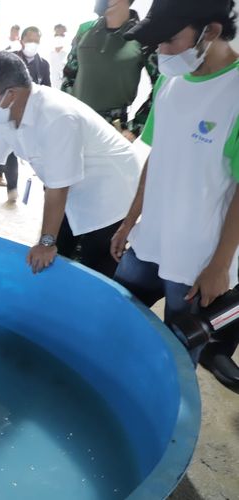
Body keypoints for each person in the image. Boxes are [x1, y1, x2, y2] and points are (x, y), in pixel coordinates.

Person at [113, 0, 239, 386]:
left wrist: (219, 265)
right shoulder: (171, 80)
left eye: (169, 40)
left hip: (197, 256)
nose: (162, 52)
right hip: (150, 239)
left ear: (212, 31)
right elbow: (157, 156)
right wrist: (130, 220)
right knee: (116, 318)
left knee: (178, 353)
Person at [0, 52, 141, 279]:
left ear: (10, 94)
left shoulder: (57, 117)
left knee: (93, 267)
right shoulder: (4, 116)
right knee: (55, 256)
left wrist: (47, 242)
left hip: (112, 191)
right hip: (70, 189)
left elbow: (57, 189)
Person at [62, 0, 159, 140]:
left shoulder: (143, 37)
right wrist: (66, 111)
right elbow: (69, 74)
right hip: (75, 123)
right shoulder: (85, 30)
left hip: (111, 130)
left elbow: (161, 87)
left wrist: (135, 127)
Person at [0, 27, 53, 202]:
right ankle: (12, 189)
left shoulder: (43, 64)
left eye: (37, 40)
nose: (33, 43)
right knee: (11, 149)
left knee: (24, 149)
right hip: (9, 112)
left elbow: (47, 89)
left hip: (32, 114)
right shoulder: (10, 59)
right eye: (30, 39)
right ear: (22, 40)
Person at [49, 24, 68, 89]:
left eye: (59, 29)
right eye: (57, 29)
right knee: (55, 81)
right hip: (55, 63)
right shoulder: (54, 39)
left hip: (62, 62)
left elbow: (58, 49)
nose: (58, 31)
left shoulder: (64, 39)